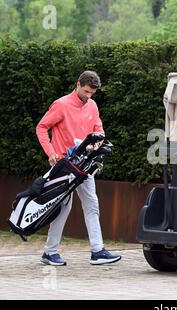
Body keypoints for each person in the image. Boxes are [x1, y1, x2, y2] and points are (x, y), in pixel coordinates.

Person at [36, 70, 121, 266]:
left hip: (85, 163)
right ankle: (49, 252)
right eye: (86, 92)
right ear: (78, 85)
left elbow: (98, 129)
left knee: (92, 203)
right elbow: (41, 127)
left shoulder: (92, 105)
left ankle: (97, 251)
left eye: (92, 93)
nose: (88, 96)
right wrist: (50, 152)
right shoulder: (61, 104)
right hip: (64, 165)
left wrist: (98, 141)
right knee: (64, 207)